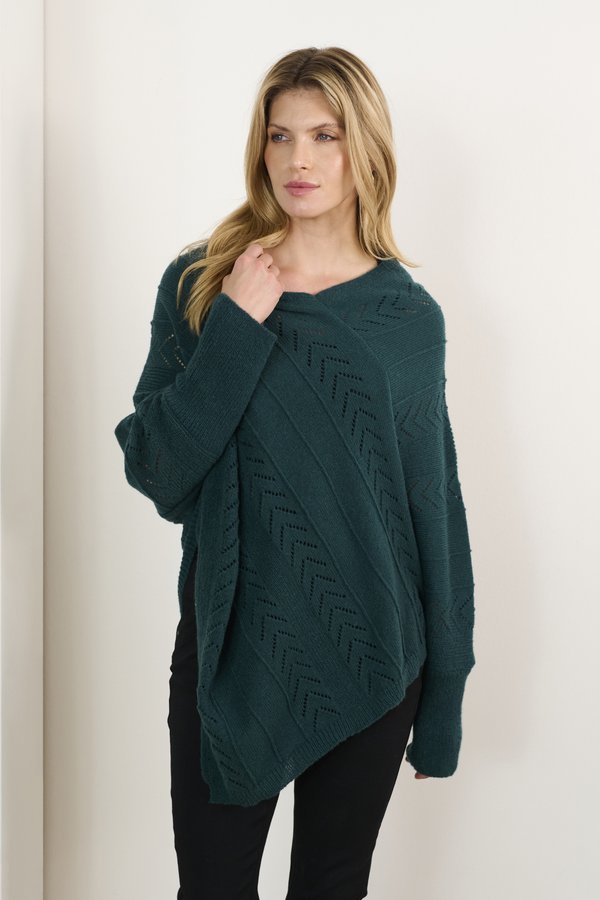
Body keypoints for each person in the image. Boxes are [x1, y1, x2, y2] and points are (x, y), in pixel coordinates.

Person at [114, 46, 476, 900]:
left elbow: (433, 512)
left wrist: (444, 705)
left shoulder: (406, 317)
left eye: (325, 135)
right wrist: (236, 329)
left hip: (374, 649)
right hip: (229, 648)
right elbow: (158, 471)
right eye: (280, 136)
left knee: (331, 887)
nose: (299, 160)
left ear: (364, 148)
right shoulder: (202, 282)